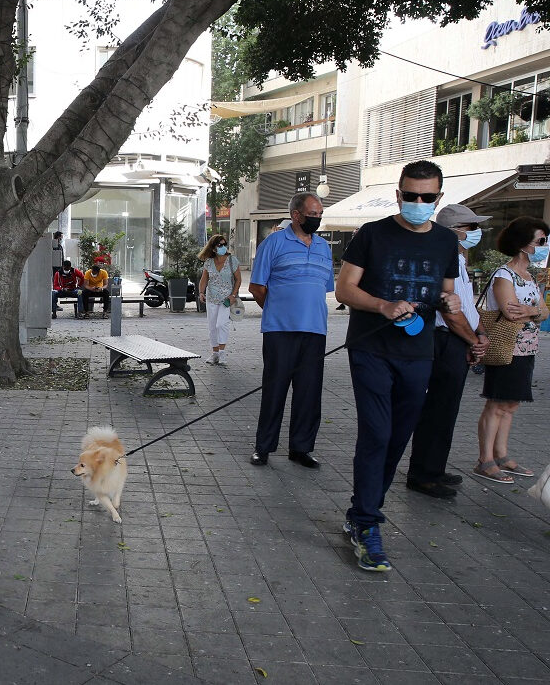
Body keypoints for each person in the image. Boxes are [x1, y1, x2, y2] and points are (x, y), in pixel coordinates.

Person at [336, 160, 462, 572]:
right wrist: (383, 305)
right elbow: (345, 289)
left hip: (418, 352)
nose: (419, 203)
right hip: (370, 349)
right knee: (377, 432)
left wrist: (452, 303)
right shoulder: (372, 235)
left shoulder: (446, 242)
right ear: (399, 195)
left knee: (398, 437)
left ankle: (361, 511)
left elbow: (445, 290)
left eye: (427, 197)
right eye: (411, 196)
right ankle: (369, 524)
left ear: (438, 199)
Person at [407, 205, 490, 499]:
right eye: (470, 227)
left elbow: (467, 306)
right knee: (438, 409)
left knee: (447, 409)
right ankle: (423, 474)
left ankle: (434, 468)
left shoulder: (458, 260)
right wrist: (473, 339)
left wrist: (479, 333)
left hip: (457, 339)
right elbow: (451, 313)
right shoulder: (441, 259)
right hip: (442, 338)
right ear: (455, 230)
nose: (476, 233)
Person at [248, 192, 334, 470]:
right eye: (313, 215)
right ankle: (264, 447)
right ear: (296, 215)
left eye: (320, 215)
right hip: (280, 331)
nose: (317, 220)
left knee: (309, 392)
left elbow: (324, 288)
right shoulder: (273, 243)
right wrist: (276, 311)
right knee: (275, 390)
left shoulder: (323, 247)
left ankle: (301, 448)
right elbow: (257, 287)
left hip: (315, 331)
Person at [475, 216, 549, 484]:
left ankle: (501, 454)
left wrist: (532, 311)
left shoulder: (529, 276)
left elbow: (543, 311)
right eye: (541, 241)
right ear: (523, 244)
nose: (544, 245)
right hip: (506, 347)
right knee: (496, 403)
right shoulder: (504, 275)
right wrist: (535, 312)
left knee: (511, 404)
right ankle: (485, 459)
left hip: (527, 349)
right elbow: (510, 311)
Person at [197, 234, 241, 365]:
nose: (223, 247)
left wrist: (233, 295)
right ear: (213, 247)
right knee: (212, 326)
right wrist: (201, 292)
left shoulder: (232, 260)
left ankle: (222, 353)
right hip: (211, 298)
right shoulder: (209, 262)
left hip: (226, 299)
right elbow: (204, 279)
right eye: (220, 245)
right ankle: (214, 353)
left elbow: (238, 279)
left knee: (221, 324)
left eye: (224, 244)